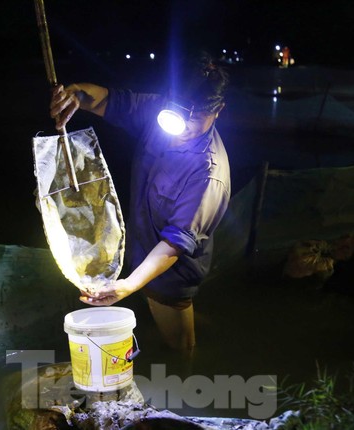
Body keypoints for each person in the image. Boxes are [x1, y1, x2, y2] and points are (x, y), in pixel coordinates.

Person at [49, 54, 231, 352]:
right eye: (178, 113)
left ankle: (187, 377)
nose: (182, 126)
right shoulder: (164, 113)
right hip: (139, 247)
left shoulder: (209, 175)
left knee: (180, 348)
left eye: (195, 117)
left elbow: (175, 243)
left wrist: (126, 286)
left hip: (171, 273)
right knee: (159, 324)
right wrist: (74, 95)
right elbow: (107, 100)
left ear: (218, 111)